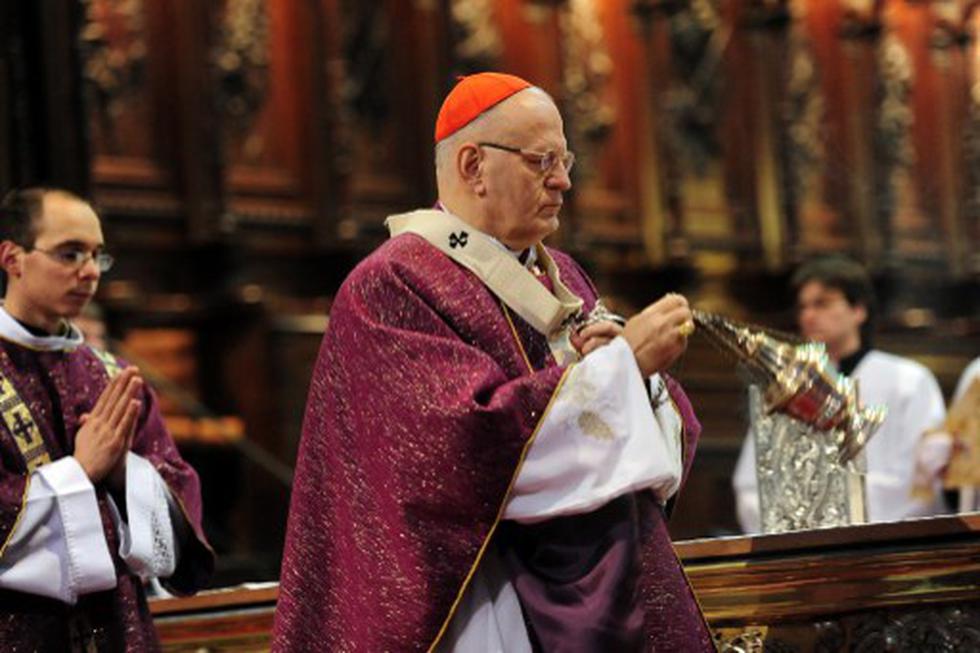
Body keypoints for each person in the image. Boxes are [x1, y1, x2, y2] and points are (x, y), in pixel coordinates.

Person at [273, 73, 714, 651]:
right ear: (473, 165)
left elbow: (641, 438)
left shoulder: (563, 275)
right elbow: (459, 449)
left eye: (566, 159)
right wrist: (620, 368)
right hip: (487, 599)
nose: (564, 181)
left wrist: (640, 379)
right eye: (542, 161)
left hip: (606, 581)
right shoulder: (394, 284)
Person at [0, 187, 213, 650]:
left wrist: (123, 475)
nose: (90, 272)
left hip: (119, 627)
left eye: (98, 255)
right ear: (13, 258)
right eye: (70, 253)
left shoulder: (110, 374)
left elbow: (178, 485)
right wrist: (80, 473)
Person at [733, 256, 948, 532]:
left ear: (859, 310)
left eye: (822, 303)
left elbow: (922, 478)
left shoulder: (909, 380)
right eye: (803, 307)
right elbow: (752, 484)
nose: (808, 316)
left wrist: (836, 509)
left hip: (889, 545)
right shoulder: (784, 391)